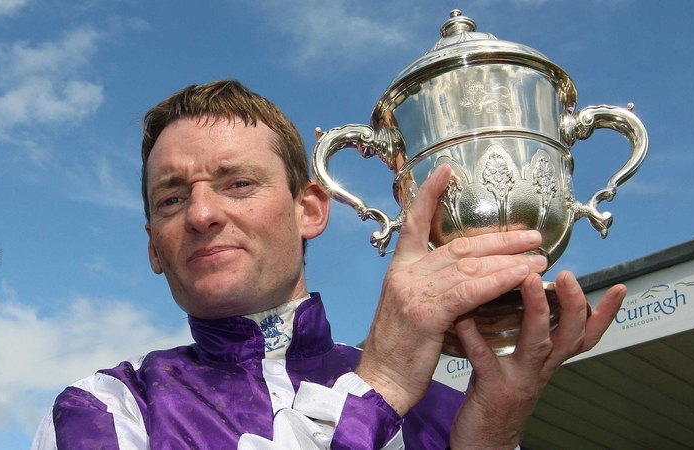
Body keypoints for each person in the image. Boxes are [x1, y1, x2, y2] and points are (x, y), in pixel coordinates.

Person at [31, 80, 626, 449]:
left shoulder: (448, 414)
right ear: (153, 248)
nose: (202, 213)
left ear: (311, 209)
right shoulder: (102, 409)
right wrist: (379, 387)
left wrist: (493, 431)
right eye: (171, 198)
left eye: (238, 183)